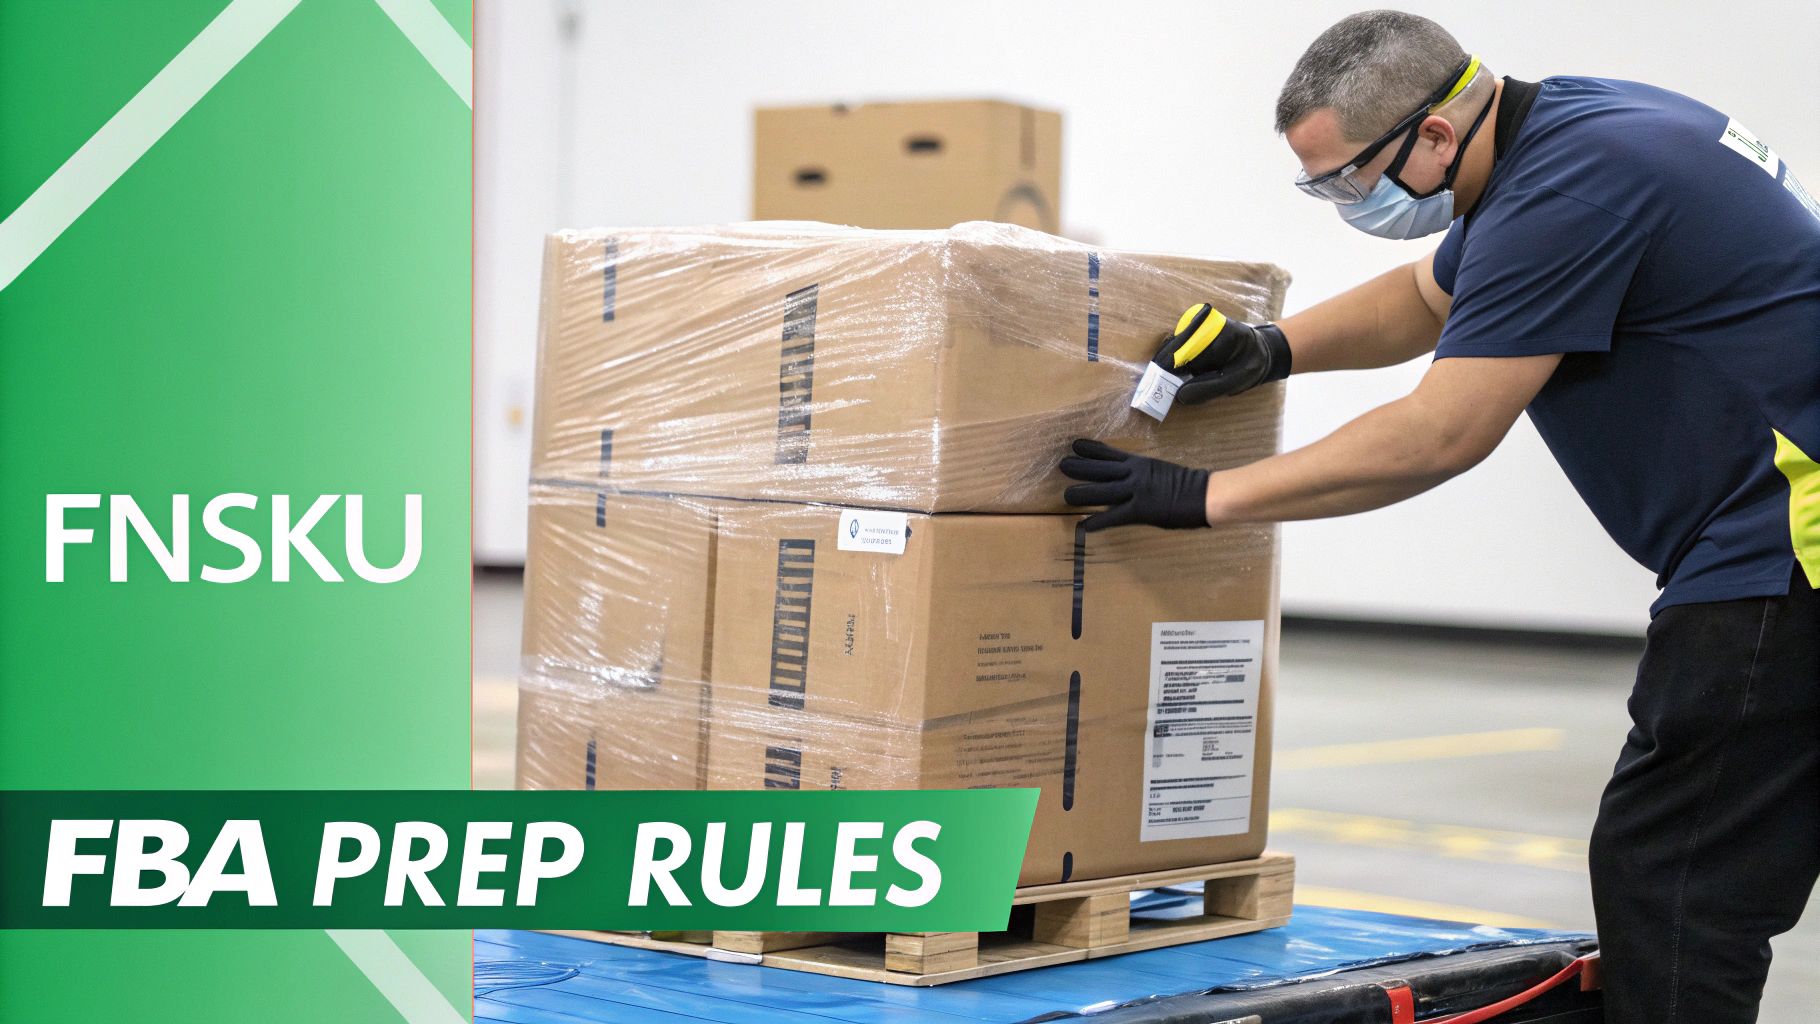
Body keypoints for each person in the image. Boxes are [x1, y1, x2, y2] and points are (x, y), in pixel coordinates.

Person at [1059, 10, 1820, 1023]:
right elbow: (1425, 297)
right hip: (1773, 544)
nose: (1343, 203)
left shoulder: (1569, 186)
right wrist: (1270, 348)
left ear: (1430, 133)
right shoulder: (1570, 130)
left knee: (1675, 881)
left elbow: (1439, 433)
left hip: (1780, 553)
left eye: (1345, 179)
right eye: (1319, 185)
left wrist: (1199, 498)